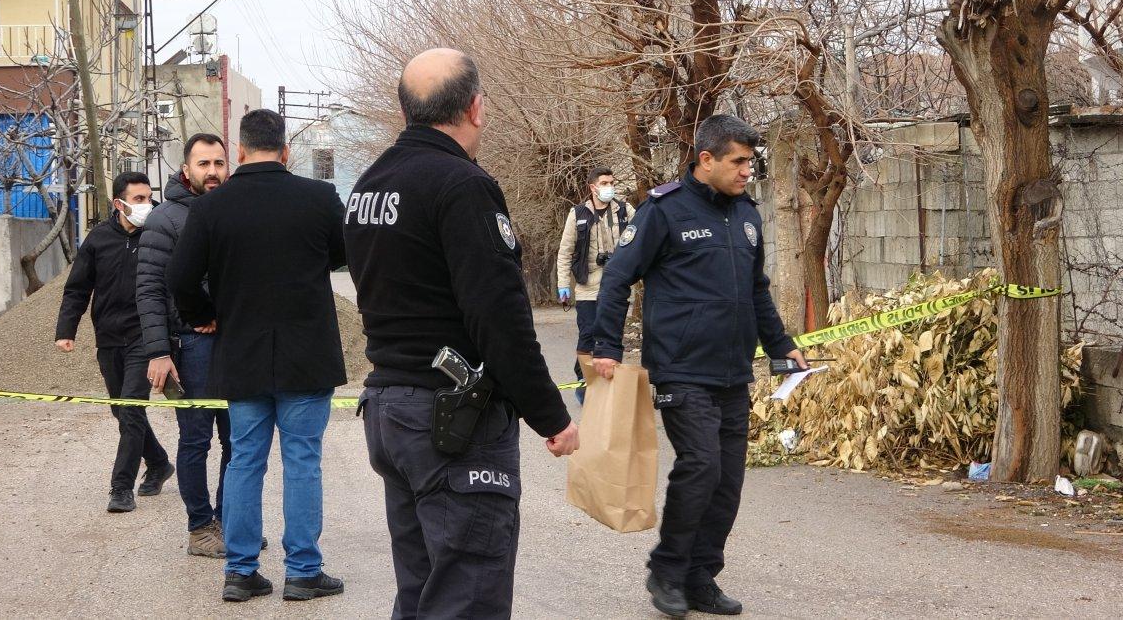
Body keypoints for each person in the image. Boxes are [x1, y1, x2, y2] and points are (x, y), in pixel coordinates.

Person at [344, 48, 580, 620]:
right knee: (467, 596)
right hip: (452, 421)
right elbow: (498, 318)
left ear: (406, 110)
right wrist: (551, 416)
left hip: (392, 411)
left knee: (423, 592)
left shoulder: (370, 185)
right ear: (477, 107)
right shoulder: (462, 186)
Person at [592, 115, 807, 618]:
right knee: (701, 466)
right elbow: (618, 278)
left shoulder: (748, 216)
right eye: (738, 161)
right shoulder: (662, 211)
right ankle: (667, 571)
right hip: (679, 369)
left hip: (733, 370)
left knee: (728, 479)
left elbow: (757, 292)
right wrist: (604, 344)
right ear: (705, 160)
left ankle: (699, 577)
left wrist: (782, 344)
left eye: (751, 162)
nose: (746, 171)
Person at [167, 109, 348, 603]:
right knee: (302, 460)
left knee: (245, 459)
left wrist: (203, 313)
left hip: (241, 353)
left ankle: (241, 571)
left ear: (240, 152)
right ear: (287, 151)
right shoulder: (320, 198)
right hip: (306, 355)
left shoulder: (210, 209)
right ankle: (303, 571)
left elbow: (179, 278)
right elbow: (342, 255)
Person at [55, 171, 174, 514]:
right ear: (119, 203)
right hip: (108, 337)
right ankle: (159, 462)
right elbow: (78, 288)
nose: (146, 205)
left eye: (149, 198)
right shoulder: (98, 240)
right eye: (138, 199)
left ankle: (121, 488)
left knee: (132, 408)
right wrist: (66, 330)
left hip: (144, 337)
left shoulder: (158, 236)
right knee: (121, 410)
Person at [136, 133, 231, 557]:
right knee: (196, 440)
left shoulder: (234, 211)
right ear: (186, 168)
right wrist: (159, 351)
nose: (213, 172)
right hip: (191, 346)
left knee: (240, 442)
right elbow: (149, 291)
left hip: (235, 345)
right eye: (204, 164)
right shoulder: (165, 219)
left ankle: (231, 521)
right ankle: (201, 527)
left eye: (219, 163)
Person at [555, 166, 635, 404]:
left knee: (612, 337)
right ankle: (585, 384)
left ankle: (609, 386)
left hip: (616, 286)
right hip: (587, 286)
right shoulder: (578, 213)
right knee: (588, 336)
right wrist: (563, 285)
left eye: (612, 182)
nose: (610, 187)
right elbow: (565, 251)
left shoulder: (624, 211)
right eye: (605, 183)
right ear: (593, 187)